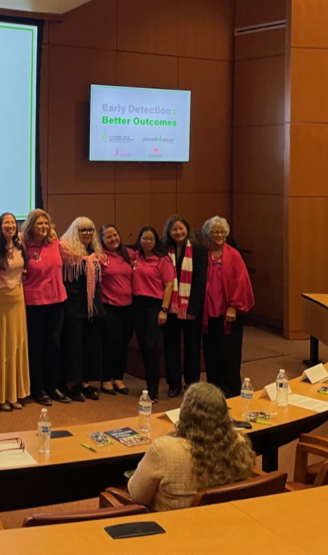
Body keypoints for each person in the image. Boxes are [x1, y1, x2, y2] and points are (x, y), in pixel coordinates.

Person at [127, 382, 256, 511]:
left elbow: (137, 496)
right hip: (222, 522)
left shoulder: (164, 449)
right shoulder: (238, 442)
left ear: (185, 413)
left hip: (171, 526)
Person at [20, 209, 70, 406]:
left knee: (54, 346)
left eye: (46, 224)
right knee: (37, 347)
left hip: (57, 301)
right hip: (34, 304)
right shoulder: (24, 246)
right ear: (31, 226)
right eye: (39, 224)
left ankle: (53, 386)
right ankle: (38, 389)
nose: (43, 227)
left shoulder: (55, 243)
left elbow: (76, 250)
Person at [201, 216, 255, 398]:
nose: (218, 235)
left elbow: (241, 282)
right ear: (207, 234)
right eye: (215, 232)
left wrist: (233, 306)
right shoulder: (204, 254)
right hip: (208, 314)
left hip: (229, 314)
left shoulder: (234, 255)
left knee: (229, 354)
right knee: (211, 353)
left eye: (222, 232)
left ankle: (231, 392)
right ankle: (214, 391)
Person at [58, 217, 105, 401]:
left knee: (89, 345)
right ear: (74, 231)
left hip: (92, 305)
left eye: (90, 230)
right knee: (73, 345)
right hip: (73, 303)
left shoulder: (95, 250)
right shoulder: (65, 248)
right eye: (83, 230)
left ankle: (84, 381)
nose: (87, 233)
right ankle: (71, 382)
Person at [161, 215, 208, 399]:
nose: (178, 232)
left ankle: (192, 383)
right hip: (170, 308)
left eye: (181, 229)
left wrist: (193, 309)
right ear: (169, 232)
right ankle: (174, 383)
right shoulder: (164, 249)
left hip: (190, 308)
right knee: (171, 347)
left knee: (192, 347)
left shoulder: (198, 250)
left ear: (187, 230)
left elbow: (200, 281)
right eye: (174, 229)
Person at [0, 213, 31, 411]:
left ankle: (15, 394)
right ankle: (2, 395)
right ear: (0, 226)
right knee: (3, 346)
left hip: (18, 299)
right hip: (1, 300)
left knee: (17, 345)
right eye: (6, 223)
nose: (10, 226)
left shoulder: (20, 243)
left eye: (13, 223)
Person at [131, 226, 176, 403]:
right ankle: (148, 385)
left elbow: (169, 286)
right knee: (143, 345)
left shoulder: (163, 260)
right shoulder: (135, 256)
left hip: (155, 306)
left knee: (151, 346)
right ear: (139, 240)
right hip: (137, 305)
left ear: (156, 241)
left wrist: (164, 309)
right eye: (144, 238)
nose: (147, 242)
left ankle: (153, 390)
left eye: (151, 239)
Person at [98, 224, 135, 396]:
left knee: (123, 343)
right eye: (108, 237)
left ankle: (118, 378)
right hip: (109, 306)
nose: (113, 239)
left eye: (115, 235)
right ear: (102, 240)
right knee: (111, 344)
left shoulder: (128, 254)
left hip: (128, 307)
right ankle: (106, 379)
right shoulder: (99, 257)